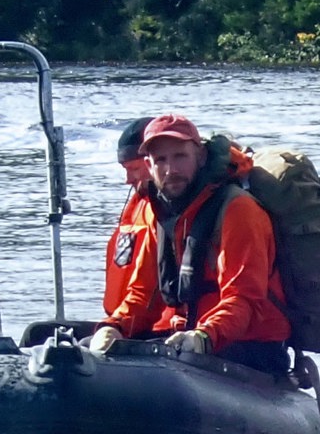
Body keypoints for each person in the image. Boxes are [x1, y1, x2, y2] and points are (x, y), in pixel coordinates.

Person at [91, 115, 293, 375]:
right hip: (187, 337)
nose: (171, 170)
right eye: (160, 160)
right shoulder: (158, 213)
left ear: (200, 156)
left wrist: (204, 337)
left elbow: (244, 299)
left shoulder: (238, 210)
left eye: (180, 156)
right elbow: (142, 294)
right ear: (148, 165)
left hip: (249, 346)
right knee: (85, 350)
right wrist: (114, 326)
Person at [104, 116, 157, 317]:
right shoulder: (139, 205)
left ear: (153, 161)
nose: (127, 180)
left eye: (133, 169)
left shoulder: (170, 213)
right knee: (39, 331)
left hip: (157, 325)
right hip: (127, 319)